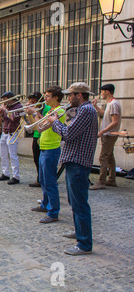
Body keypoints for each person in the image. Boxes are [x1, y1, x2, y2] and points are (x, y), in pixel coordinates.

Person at [48, 82, 98, 255]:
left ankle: (84, 244)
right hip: (74, 161)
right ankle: (79, 232)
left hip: (78, 162)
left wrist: (55, 122)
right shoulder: (83, 110)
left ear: (79, 95)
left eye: (70, 95)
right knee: (74, 202)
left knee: (80, 204)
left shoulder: (86, 110)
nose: (68, 98)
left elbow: (68, 134)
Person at [26, 86, 65, 223]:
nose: (45, 98)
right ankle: (45, 204)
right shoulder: (50, 110)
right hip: (44, 148)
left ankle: (53, 212)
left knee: (50, 182)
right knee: (43, 180)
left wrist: (35, 112)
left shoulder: (59, 111)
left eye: (48, 96)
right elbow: (36, 127)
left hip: (51, 149)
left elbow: (42, 127)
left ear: (55, 98)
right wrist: (31, 114)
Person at [90, 83, 122, 190]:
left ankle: (101, 181)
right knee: (110, 157)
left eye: (102, 91)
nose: (101, 94)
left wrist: (102, 131)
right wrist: (96, 107)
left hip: (109, 135)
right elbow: (105, 115)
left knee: (103, 157)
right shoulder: (110, 103)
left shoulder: (113, 104)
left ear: (107, 91)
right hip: (108, 134)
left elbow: (115, 122)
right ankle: (111, 179)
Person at [0, 92, 23, 184]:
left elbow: (13, 118)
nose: (4, 102)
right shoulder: (7, 107)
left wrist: (5, 110)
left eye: (5, 99)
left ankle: (16, 176)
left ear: (10, 99)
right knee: (3, 154)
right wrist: (1, 114)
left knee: (13, 155)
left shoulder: (18, 106)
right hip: (5, 132)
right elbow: (5, 119)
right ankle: (5, 173)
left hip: (13, 132)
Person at [25, 91, 50, 187]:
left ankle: (45, 179)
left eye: (34, 100)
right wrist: (29, 114)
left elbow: (46, 121)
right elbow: (33, 125)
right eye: (31, 101)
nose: (32, 102)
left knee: (45, 161)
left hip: (45, 136)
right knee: (36, 159)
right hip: (36, 136)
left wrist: (36, 112)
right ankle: (40, 179)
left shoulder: (47, 108)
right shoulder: (32, 109)